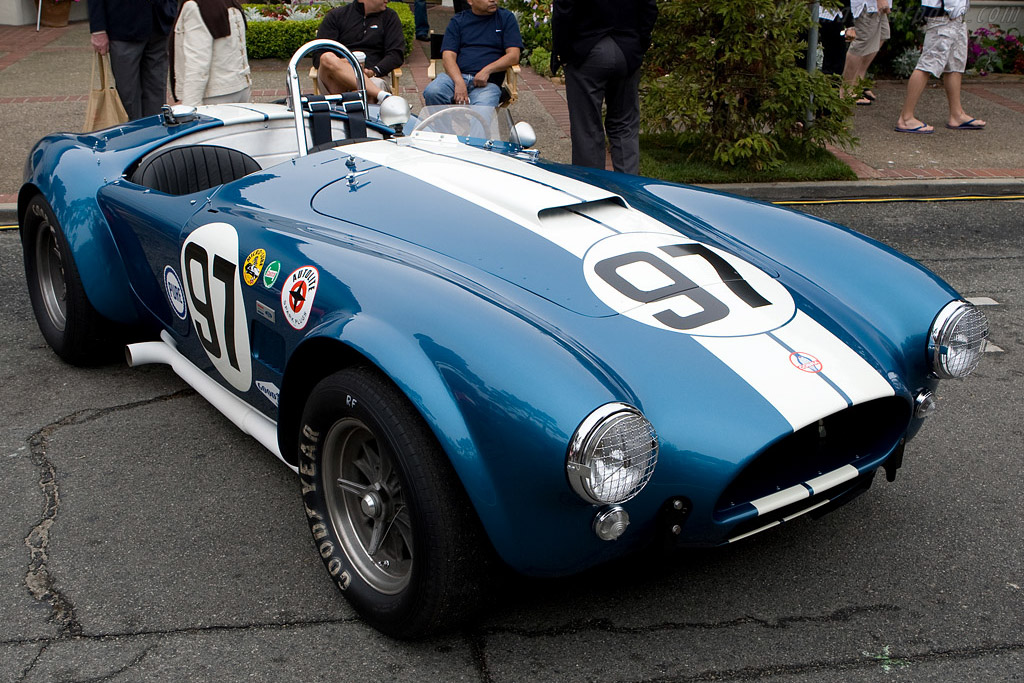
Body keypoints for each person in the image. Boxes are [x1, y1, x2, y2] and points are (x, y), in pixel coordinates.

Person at [551, 0, 657, 175]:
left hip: (586, 53)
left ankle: (592, 191)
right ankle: (630, 190)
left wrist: (564, 51)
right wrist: (639, 44)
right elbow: (649, 8)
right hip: (627, 51)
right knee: (625, 126)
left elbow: (563, 12)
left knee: (587, 129)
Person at [895, 0, 985, 133]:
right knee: (928, 64)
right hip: (944, 18)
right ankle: (906, 118)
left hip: (955, 18)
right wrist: (953, 10)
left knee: (955, 64)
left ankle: (957, 114)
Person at [422, 0, 523, 108]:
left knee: (483, 109)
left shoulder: (505, 18)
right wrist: (459, 82)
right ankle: (444, 125)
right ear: (470, 1)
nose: (493, 0)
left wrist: (487, 70)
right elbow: (448, 56)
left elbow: (514, 56)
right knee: (433, 92)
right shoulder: (458, 21)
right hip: (456, 77)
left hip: (487, 84)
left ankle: (473, 124)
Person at [87, 0, 178, 120]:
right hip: (123, 26)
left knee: (157, 93)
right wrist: (98, 29)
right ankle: (134, 134)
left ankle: (156, 133)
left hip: (159, 23)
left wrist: (171, 9)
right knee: (128, 96)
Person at [315, 0, 405, 104]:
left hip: (373, 76)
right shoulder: (336, 16)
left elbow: (396, 54)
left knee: (366, 91)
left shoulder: (389, 17)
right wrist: (345, 63)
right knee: (326, 57)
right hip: (337, 79)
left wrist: (373, 71)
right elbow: (318, 56)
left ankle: (371, 96)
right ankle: (382, 95)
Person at [169, 0, 252, 108]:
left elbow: (197, 63)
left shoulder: (195, 6)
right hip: (240, 89)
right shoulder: (230, 2)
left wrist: (189, 107)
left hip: (213, 97)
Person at [842, 0, 889, 105]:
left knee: (882, 35)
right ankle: (846, 90)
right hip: (867, 4)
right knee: (861, 42)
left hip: (875, 5)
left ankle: (858, 82)